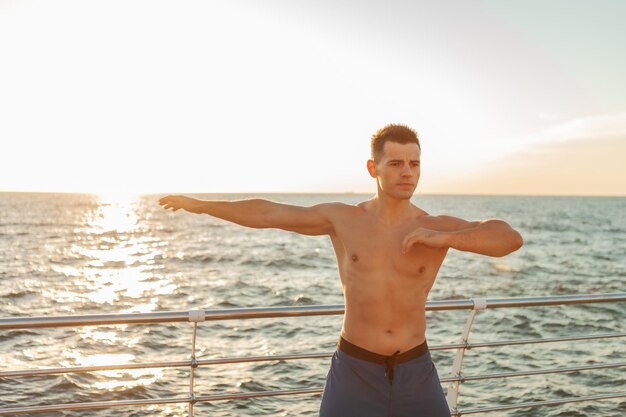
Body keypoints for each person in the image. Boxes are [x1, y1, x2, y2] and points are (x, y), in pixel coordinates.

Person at [158, 124, 523, 417]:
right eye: (396, 163)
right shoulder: (344, 219)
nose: (407, 172)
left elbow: (508, 237)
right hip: (354, 369)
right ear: (373, 168)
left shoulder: (438, 226)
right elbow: (270, 213)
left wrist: (443, 237)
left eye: (414, 163)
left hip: (416, 369)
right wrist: (202, 205)